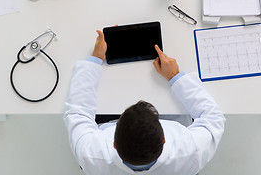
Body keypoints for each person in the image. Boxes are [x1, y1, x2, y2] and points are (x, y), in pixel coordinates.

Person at [64, 30, 225, 175]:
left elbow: (78, 112)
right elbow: (213, 117)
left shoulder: (90, 154)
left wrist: (95, 59)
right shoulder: (191, 151)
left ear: (113, 143)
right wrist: (175, 76)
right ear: (164, 140)